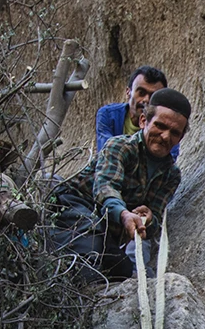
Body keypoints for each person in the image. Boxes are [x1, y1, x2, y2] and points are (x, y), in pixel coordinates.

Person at [47, 89, 190, 279]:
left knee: (120, 271)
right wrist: (124, 215)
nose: (165, 136)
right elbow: (105, 188)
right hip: (73, 206)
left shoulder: (171, 175)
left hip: (104, 231)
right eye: (160, 126)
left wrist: (148, 219)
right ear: (143, 121)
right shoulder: (120, 147)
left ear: (180, 138)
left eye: (174, 133)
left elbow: (154, 219)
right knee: (89, 256)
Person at [95, 65, 169, 152]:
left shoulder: (168, 125)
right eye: (141, 93)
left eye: (153, 96)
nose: (146, 100)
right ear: (128, 92)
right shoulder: (108, 114)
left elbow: (168, 159)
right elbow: (105, 152)